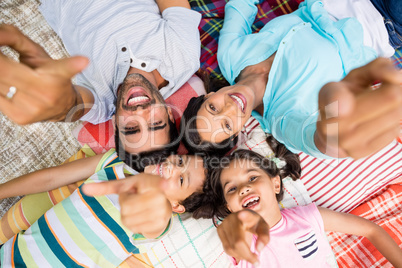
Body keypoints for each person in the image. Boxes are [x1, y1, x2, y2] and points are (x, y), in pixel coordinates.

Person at [180, 0, 402, 159]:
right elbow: (316, 140)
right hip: (385, 24)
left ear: (209, 95)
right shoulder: (282, 120)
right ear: (238, 131)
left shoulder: (230, 56)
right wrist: (335, 137)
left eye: (213, 108)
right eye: (227, 125)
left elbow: (240, 5)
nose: (229, 109)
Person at [0, 0, 202, 156]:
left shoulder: (102, 105)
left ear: (116, 124)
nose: (140, 113)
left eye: (131, 128)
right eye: (155, 123)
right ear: (168, 113)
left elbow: (71, 104)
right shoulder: (185, 58)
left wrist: (54, 107)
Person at [196, 148, 402, 267]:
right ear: (230, 207)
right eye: (232, 189)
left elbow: (371, 229)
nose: (244, 188)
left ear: (275, 184)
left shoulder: (307, 217)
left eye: (252, 177)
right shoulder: (240, 239)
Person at [0, 149, 208, 266]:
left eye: (181, 180)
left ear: (176, 206)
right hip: (10, 255)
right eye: (180, 160)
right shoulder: (114, 165)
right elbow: (51, 177)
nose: (172, 167)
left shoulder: (156, 222)